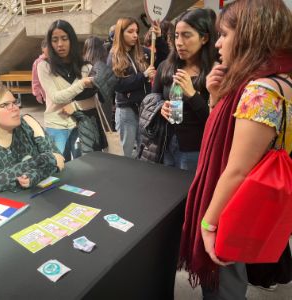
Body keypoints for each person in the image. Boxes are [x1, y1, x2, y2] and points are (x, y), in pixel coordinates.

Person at [178, 1, 292, 299]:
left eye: (224, 34)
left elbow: (237, 168)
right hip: (252, 202)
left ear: (249, 36)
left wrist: (207, 221)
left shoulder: (260, 89)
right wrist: (216, 97)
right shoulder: (278, 79)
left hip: (233, 205)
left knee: (222, 281)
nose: (218, 43)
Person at [0, 83, 64, 194]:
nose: (15, 108)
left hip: (30, 197)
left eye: (14, 102)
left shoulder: (27, 123)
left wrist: (35, 175)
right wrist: (44, 159)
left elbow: (59, 159)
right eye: (5, 105)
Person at [151, 8, 217, 171]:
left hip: (195, 149)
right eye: (176, 35)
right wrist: (161, 107)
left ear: (204, 38)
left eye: (186, 35)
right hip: (165, 143)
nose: (179, 42)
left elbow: (214, 122)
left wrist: (193, 95)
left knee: (188, 194)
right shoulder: (166, 66)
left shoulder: (214, 73)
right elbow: (153, 97)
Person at [37, 19, 96, 161]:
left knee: (82, 166)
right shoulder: (45, 66)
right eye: (55, 40)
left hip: (80, 124)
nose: (60, 44)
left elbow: (92, 100)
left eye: (64, 38)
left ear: (72, 40)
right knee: (59, 166)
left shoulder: (85, 67)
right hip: (56, 125)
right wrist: (82, 83)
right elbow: (56, 97)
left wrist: (73, 106)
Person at [107, 17, 155, 157]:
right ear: (120, 33)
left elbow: (164, 57)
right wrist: (144, 75)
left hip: (145, 108)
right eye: (130, 31)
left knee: (144, 149)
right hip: (126, 110)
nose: (135, 35)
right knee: (125, 150)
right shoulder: (114, 56)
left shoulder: (142, 52)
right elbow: (117, 84)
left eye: (137, 31)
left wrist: (160, 38)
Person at [32, 38, 48, 104]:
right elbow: (35, 79)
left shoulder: (58, 59)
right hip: (46, 92)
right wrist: (37, 94)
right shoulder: (38, 62)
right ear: (43, 49)